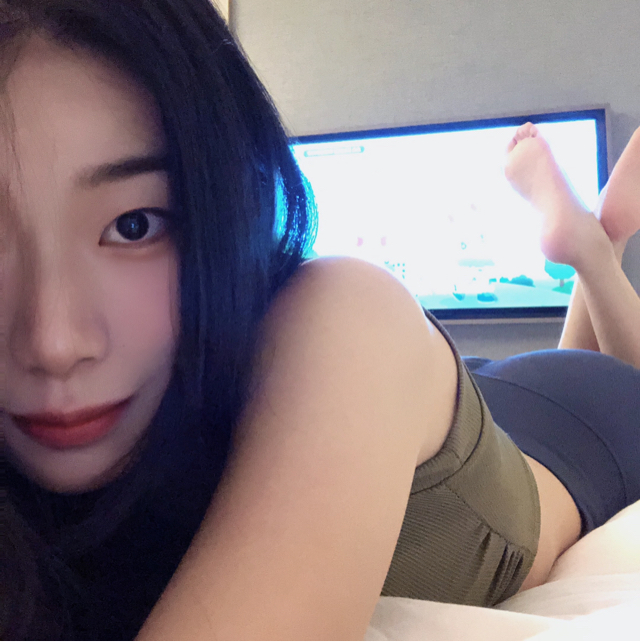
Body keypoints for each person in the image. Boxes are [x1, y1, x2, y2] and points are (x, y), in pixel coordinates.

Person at [1, 1, 639, 639]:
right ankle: (596, 248)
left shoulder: (346, 309)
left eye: (135, 225)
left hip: (577, 418)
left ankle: (593, 256)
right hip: (428, 400)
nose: (54, 344)